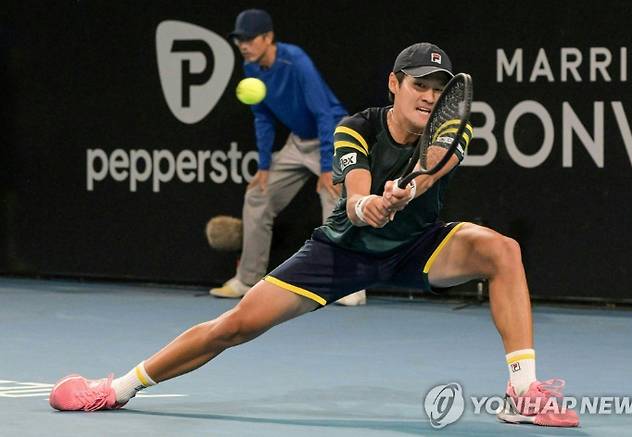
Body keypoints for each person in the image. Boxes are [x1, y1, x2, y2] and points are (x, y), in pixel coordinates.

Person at [49, 42, 579, 427]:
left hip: (419, 245)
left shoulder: (450, 126)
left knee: (501, 250)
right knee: (233, 326)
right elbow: (355, 196)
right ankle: (116, 389)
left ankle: (524, 391)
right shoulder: (355, 127)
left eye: (438, 90)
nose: (429, 97)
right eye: (419, 85)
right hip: (341, 253)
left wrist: (407, 194)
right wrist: (372, 205)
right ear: (394, 85)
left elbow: (434, 168)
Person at [210, 9, 366, 306]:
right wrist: (265, 166)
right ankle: (247, 279)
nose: (243, 45)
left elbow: (322, 113)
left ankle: (348, 286)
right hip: (297, 142)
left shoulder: (296, 60)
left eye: (249, 39)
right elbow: (263, 117)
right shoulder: (252, 68)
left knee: (335, 199)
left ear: (268, 38)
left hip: (333, 134)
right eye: (239, 40)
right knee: (258, 194)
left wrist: (325, 165)